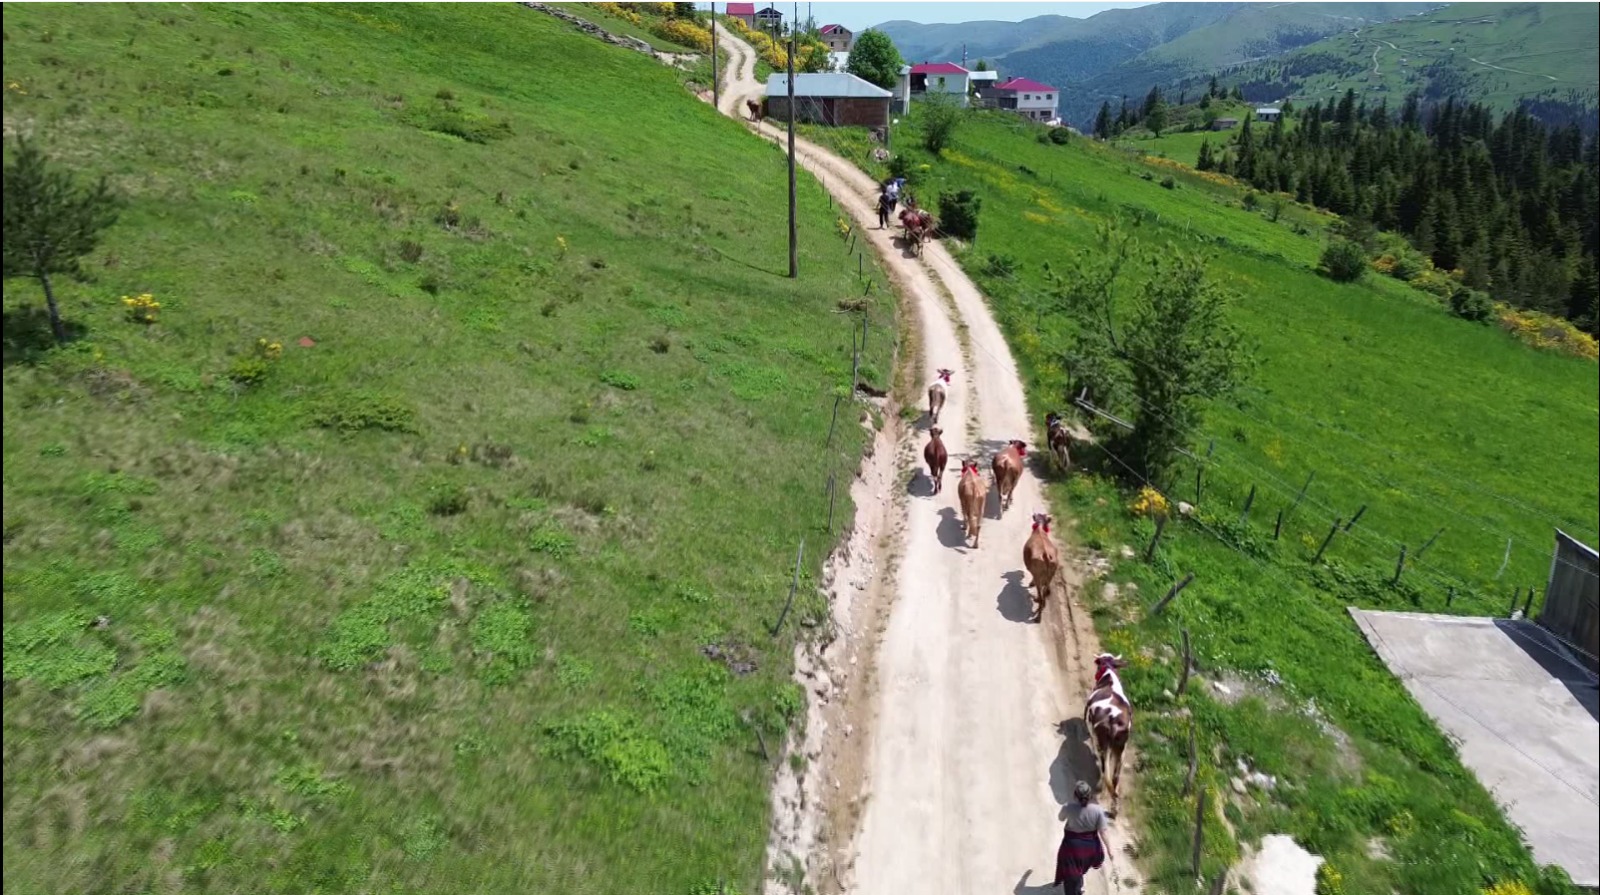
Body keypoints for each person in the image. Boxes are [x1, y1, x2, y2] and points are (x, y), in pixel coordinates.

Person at [1054, 781, 1109, 894]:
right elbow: (1103, 832)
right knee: (1080, 869)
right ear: (1090, 795)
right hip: (1090, 849)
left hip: (1072, 847)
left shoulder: (1068, 807)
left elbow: (1060, 818)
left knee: (1071, 874)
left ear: (1075, 795)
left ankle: (1075, 889)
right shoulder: (1098, 810)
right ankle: (1078, 885)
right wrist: (1110, 850)